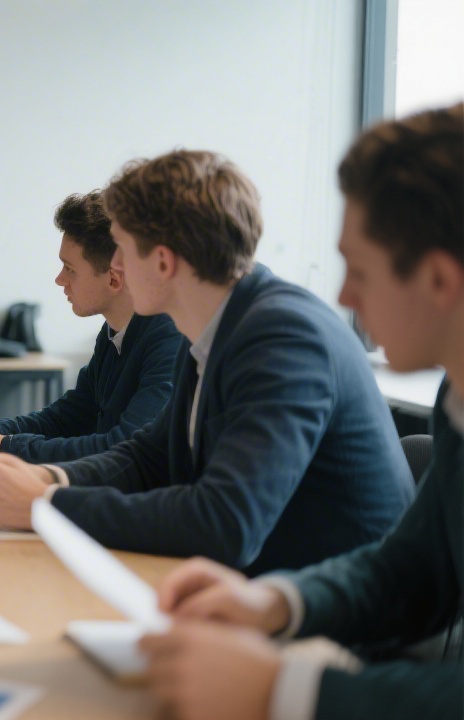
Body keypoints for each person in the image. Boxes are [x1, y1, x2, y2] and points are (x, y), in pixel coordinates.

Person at [138, 102, 464, 720]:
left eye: (359, 269)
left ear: (440, 281)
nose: (343, 295)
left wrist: (288, 691)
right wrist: (280, 603)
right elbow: (415, 568)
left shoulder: (284, 329)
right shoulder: (458, 399)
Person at [0, 150, 414, 575]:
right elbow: (149, 457)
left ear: (161, 262)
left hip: (336, 621)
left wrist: (45, 503)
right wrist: (46, 476)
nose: (114, 265)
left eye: (120, 247)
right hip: (254, 588)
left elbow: (226, 523)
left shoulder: (284, 338)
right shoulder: (215, 325)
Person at [0, 190, 181, 463]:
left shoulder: (171, 339)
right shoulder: (114, 332)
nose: (59, 280)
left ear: (114, 280)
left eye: (70, 268)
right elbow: (70, 417)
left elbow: (124, 448)